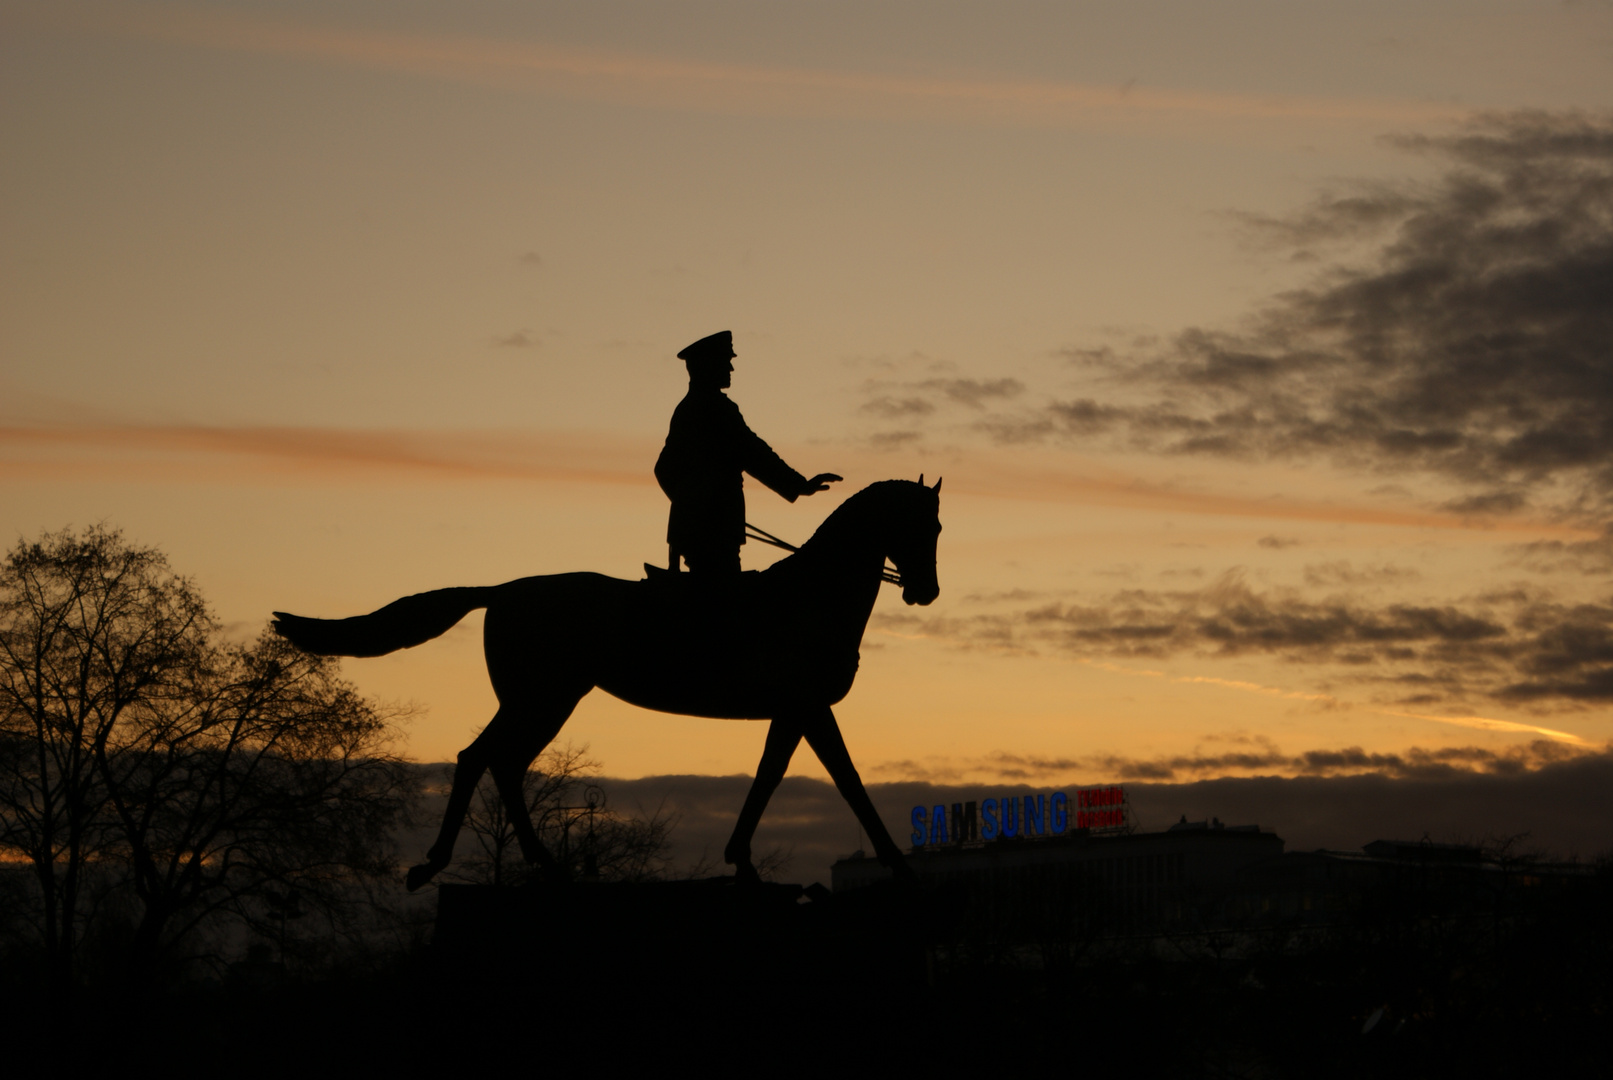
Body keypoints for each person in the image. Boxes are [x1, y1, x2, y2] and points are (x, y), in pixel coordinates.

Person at [654, 330, 841, 575]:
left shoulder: (688, 408)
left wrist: (688, 506)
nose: (731, 368)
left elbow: (663, 469)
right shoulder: (716, 409)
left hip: (699, 530)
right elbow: (754, 454)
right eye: (726, 361)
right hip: (713, 532)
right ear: (709, 365)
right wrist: (799, 485)